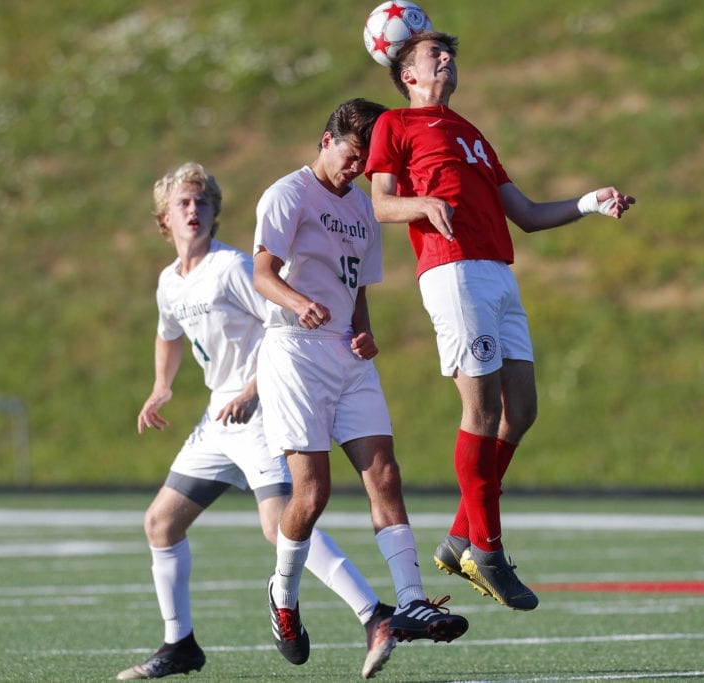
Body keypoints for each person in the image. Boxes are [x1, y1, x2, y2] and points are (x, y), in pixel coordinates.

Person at [365, 32, 636, 612]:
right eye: (432, 55)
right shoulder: (394, 125)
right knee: (482, 409)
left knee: (523, 411)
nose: (445, 59)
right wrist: (421, 205)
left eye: (449, 53)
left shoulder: (470, 132)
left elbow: (530, 216)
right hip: (452, 271)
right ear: (407, 75)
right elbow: (380, 201)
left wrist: (590, 202)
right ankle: (486, 550)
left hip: (498, 275)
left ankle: (460, 536)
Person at [118, 162, 397, 681]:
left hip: (260, 410)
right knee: (160, 522)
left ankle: (374, 614)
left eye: (202, 202)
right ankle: (179, 645)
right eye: (183, 203)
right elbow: (168, 331)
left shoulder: (231, 268)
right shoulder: (169, 282)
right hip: (217, 419)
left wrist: (252, 391)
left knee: (280, 524)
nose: (194, 210)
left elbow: (280, 324)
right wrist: (161, 386)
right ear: (164, 218)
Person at [252, 98, 469, 666]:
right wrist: (299, 303)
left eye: (365, 161)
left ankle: (412, 602)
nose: (357, 169)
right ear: (326, 140)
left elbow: (360, 289)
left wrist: (365, 333)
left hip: (348, 358)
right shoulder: (288, 194)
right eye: (351, 155)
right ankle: (283, 595)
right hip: (295, 354)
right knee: (313, 494)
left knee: (385, 474)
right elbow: (262, 273)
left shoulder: (363, 210)